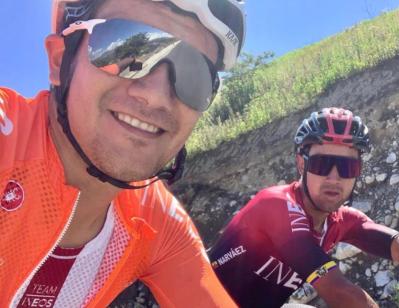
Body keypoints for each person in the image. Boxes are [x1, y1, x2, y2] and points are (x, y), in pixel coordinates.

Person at [0, 0, 245, 306]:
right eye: (128, 48)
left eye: (194, 76)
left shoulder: (156, 222)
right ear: (59, 60)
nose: (155, 96)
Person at [209, 107, 399, 308]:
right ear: (302, 165)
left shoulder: (343, 221)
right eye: (323, 164)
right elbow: (339, 292)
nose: (334, 178)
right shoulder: (276, 205)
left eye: (347, 168)